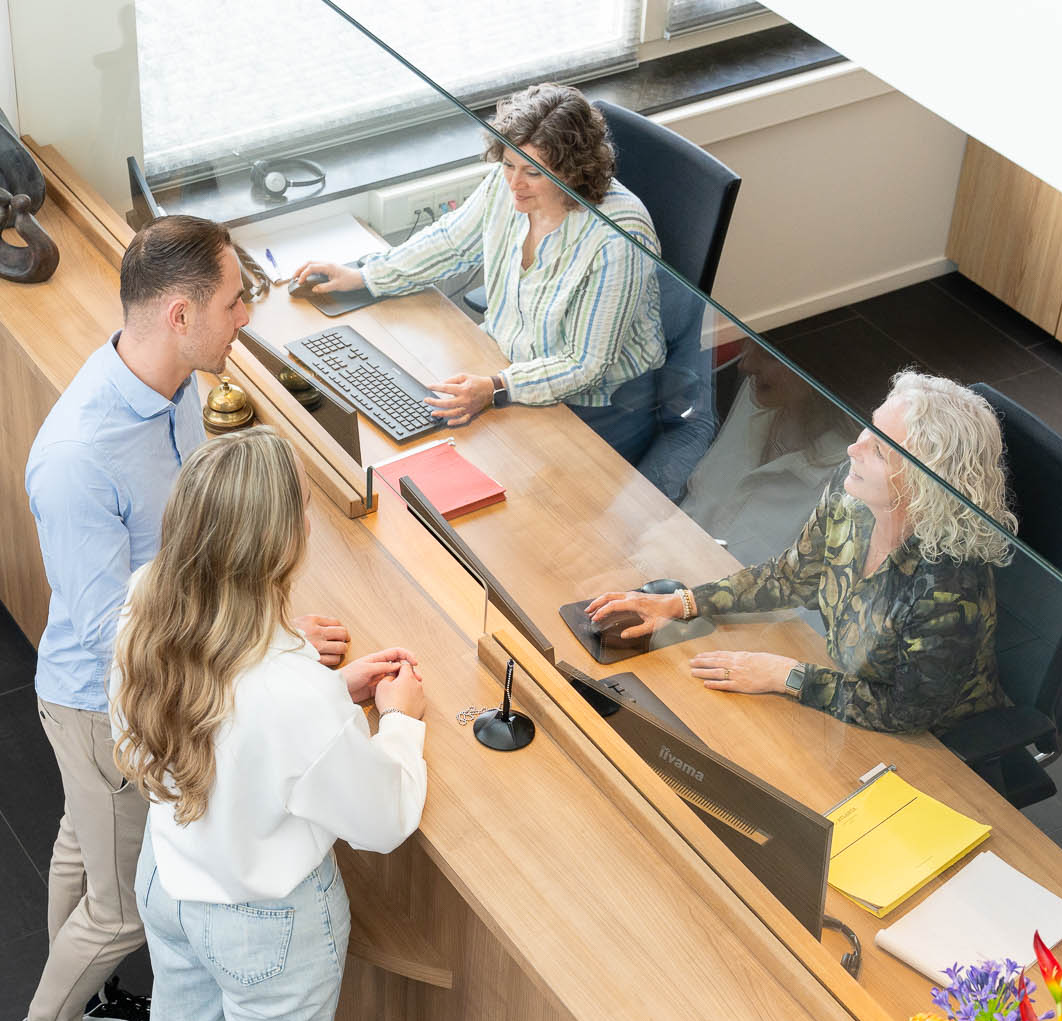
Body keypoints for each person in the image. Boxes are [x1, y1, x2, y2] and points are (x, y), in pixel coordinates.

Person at [13, 216, 349, 1021]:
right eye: (236, 300)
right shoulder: (80, 456)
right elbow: (109, 630)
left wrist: (268, 625)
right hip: (103, 705)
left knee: (84, 851)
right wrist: (260, 655)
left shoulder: (177, 390)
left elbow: (194, 557)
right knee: (122, 909)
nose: (247, 315)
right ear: (179, 312)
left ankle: (88, 998)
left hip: (124, 689)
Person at [109, 426, 427, 1021]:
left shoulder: (148, 602)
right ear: (277, 546)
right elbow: (385, 815)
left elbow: (228, 714)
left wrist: (333, 688)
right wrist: (397, 718)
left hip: (171, 884)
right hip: (269, 926)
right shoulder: (293, 692)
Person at [586, 371, 1016, 735]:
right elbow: (791, 577)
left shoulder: (950, 586)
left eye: (880, 449)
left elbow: (906, 711)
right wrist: (682, 603)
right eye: (869, 427)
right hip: (842, 688)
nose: (854, 448)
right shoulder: (853, 502)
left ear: (926, 487)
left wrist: (783, 676)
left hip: (931, 743)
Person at [292, 83, 663, 456]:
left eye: (532, 172)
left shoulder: (618, 237)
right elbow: (452, 242)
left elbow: (585, 364)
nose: (514, 184)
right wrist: (366, 276)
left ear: (572, 171)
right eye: (507, 165)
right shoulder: (509, 187)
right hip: (504, 365)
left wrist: (496, 387)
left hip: (597, 404)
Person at [676, 341, 858, 566]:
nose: (745, 364)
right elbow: (698, 497)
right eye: (750, 343)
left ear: (821, 368)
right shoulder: (760, 395)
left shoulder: (851, 477)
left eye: (769, 354)